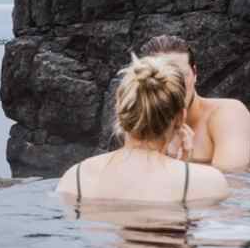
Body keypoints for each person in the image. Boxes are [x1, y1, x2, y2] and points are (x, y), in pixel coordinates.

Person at [57, 55, 228, 204]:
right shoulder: (208, 182)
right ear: (180, 118)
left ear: (118, 108)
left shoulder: (76, 178)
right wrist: (185, 168)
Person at [140, 34, 250, 172]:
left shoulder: (229, 114)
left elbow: (232, 185)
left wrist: (174, 163)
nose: (174, 87)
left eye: (179, 76)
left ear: (195, 73)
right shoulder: (142, 123)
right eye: (162, 78)